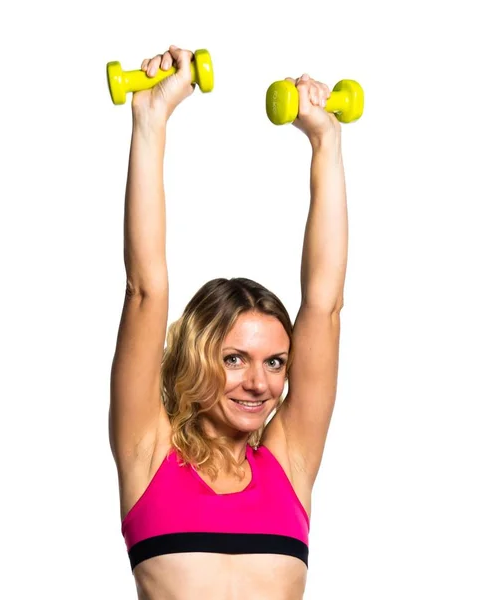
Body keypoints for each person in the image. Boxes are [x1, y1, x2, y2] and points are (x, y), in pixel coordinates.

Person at [108, 44, 348, 600]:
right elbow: (145, 289)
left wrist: (326, 141)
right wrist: (150, 121)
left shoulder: (290, 464)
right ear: (196, 356)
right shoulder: (149, 454)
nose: (259, 383)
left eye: (275, 362)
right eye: (234, 358)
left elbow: (325, 306)